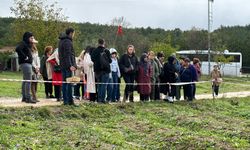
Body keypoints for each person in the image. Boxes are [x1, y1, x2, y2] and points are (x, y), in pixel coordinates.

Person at [15, 32, 36, 103]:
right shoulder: (23, 43)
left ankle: (24, 97)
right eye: (31, 38)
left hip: (26, 64)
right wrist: (25, 56)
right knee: (28, 81)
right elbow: (17, 49)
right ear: (27, 38)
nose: (32, 39)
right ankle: (28, 98)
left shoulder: (27, 44)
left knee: (25, 81)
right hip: (26, 64)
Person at [58, 28, 77, 105]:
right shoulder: (68, 42)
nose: (74, 35)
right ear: (71, 33)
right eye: (74, 33)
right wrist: (70, 65)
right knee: (69, 83)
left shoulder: (61, 41)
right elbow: (68, 54)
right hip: (67, 66)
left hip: (63, 65)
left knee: (65, 83)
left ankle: (66, 101)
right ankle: (69, 101)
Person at [91, 39, 112, 103]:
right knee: (104, 85)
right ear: (104, 43)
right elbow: (110, 61)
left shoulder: (94, 51)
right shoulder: (107, 51)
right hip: (105, 70)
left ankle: (99, 99)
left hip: (97, 71)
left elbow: (92, 59)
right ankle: (102, 100)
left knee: (99, 85)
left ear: (98, 43)